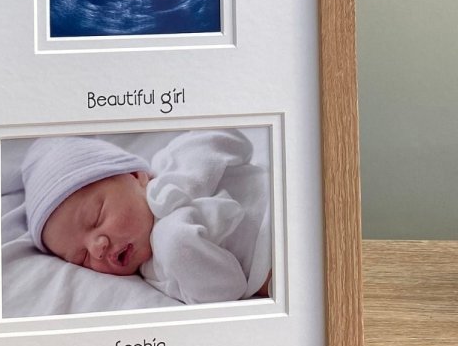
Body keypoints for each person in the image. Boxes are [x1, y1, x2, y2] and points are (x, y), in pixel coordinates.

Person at [21, 130, 272, 304]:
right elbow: (228, 290)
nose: (96, 249)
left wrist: (186, 186)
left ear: (135, 176)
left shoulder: (172, 165)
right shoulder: (156, 273)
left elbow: (235, 141)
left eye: (96, 217)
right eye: (82, 257)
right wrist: (175, 242)